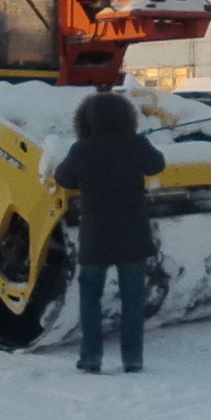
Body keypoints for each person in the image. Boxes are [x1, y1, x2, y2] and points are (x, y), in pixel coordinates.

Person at [53, 91, 165, 374]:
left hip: (96, 234)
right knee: (133, 298)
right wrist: (140, 143)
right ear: (126, 117)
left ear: (87, 119)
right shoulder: (136, 144)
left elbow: (62, 178)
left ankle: (91, 358)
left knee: (90, 296)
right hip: (133, 233)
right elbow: (157, 165)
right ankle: (132, 358)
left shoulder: (82, 149)